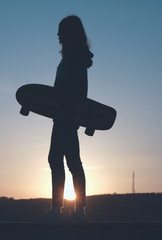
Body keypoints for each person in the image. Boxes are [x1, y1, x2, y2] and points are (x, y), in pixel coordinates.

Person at [37, 15, 94, 222]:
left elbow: (79, 89)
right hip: (65, 114)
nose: (58, 35)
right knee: (71, 162)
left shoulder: (74, 57)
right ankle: (78, 211)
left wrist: (71, 113)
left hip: (65, 115)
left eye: (61, 31)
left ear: (70, 33)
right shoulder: (73, 55)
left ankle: (57, 211)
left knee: (57, 159)